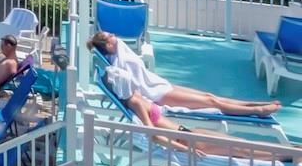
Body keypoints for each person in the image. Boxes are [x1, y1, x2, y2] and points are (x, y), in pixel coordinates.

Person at [89, 31, 279, 123]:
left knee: (210, 96)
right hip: (158, 95)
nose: (114, 35)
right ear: (108, 45)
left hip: (162, 86)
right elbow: (127, 86)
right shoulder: (118, 62)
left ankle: (254, 105)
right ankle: (258, 110)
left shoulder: (120, 50)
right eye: (110, 36)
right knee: (212, 102)